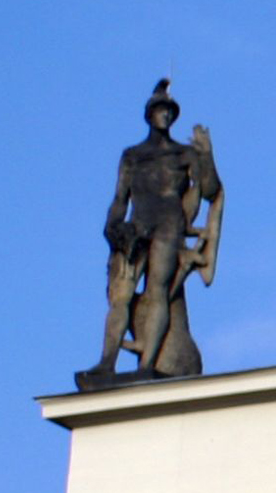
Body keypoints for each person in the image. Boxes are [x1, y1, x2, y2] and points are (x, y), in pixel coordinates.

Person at [88, 80, 223, 383]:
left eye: (169, 112)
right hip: (137, 226)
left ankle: (146, 364)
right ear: (150, 115)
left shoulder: (184, 153)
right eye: (160, 110)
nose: (166, 116)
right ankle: (106, 363)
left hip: (168, 226)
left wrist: (207, 155)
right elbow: (119, 200)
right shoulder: (132, 155)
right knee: (121, 295)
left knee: (158, 291)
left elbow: (211, 191)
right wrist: (112, 229)